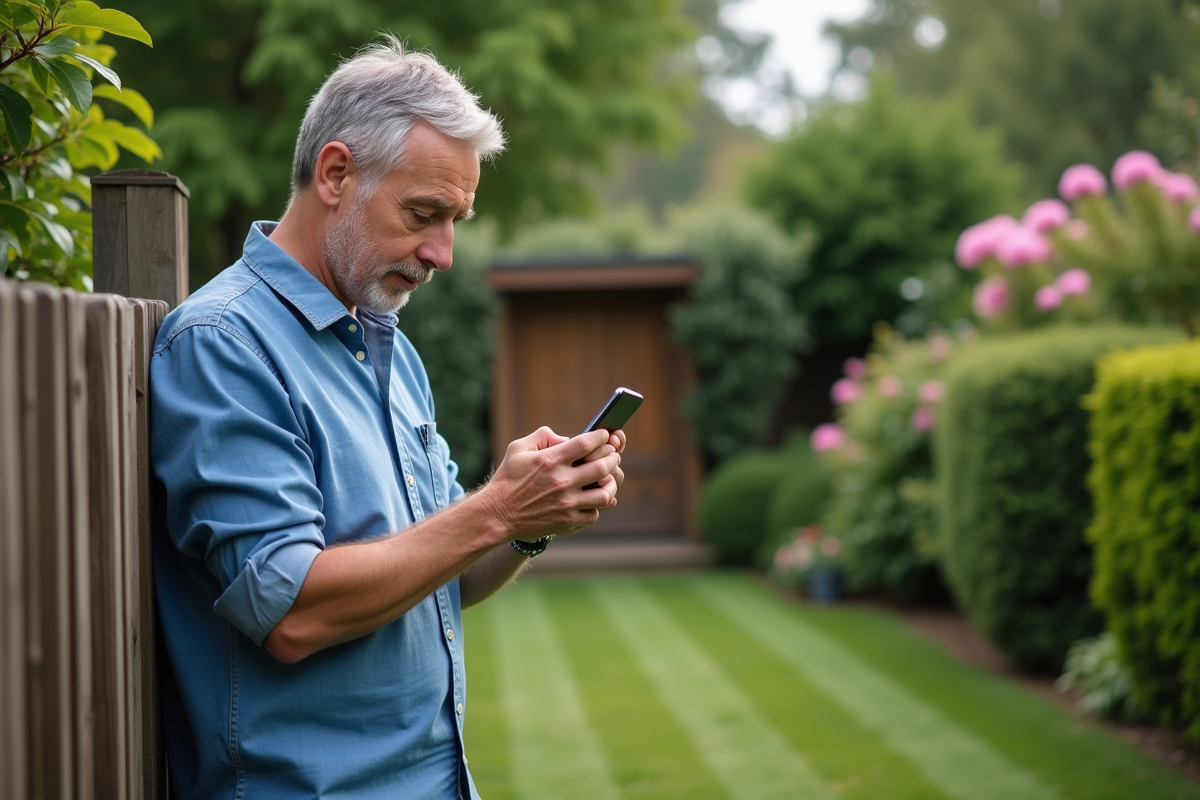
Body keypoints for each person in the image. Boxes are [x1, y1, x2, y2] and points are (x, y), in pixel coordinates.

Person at [150, 37, 625, 799]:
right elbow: (290, 609)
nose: (441, 252)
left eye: (456, 220)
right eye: (423, 213)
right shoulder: (221, 344)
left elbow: (448, 577)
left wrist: (529, 517)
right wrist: (495, 508)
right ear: (336, 173)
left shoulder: (391, 353)